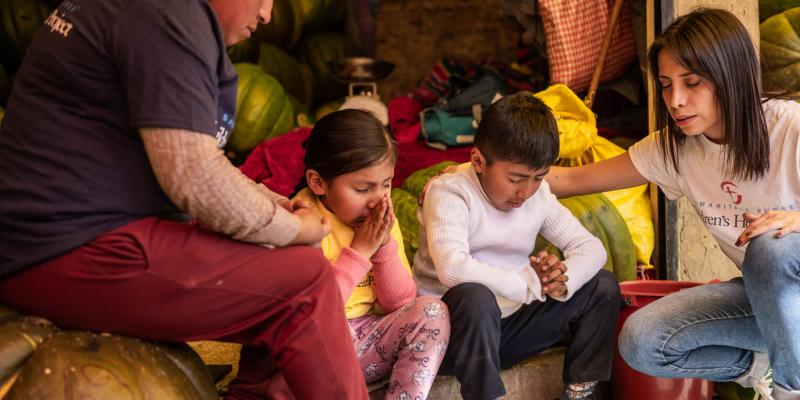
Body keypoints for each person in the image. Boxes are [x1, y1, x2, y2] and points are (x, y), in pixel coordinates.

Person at [0, 0, 369, 398]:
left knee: (282, 261)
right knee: (304, 283)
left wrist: (274, 207)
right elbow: (191, 175)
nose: (267, 14)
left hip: (58, 240)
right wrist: (293, 226)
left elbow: (194, 156)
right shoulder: (168, 14)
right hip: (62, 250)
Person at [545, 8, 800, 400]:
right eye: (666, 85)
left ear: (730, 75)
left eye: (692, 82)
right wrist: (474, 176)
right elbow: (570, 180)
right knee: (643, 339)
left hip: (789, 286)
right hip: (771, 305)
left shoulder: (790, 128)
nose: (676, 101)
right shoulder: (675, 150)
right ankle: (763, 366)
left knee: (771, 248)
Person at [414, 92, 621, 400]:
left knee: (602, 285)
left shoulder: (537, 196)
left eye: (538, 177)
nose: (525, 191)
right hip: (450, 340)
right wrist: (525, 284)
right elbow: (452, 268)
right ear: (478, 161)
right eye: (515, 178)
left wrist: (558, 280)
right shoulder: (451, 193)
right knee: (475, 296)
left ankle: (579, 393)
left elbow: (591, 248)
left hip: (507, 332)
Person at [274, 109, 448, 400]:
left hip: (366, 343)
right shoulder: (300, 223)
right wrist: (360, 250)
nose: (377, 200)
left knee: (432, 311)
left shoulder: (378, 218)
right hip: (313, 350)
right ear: (318, 183)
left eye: (386, 184)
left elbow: (400, 302)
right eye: (362, 188)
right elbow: (309, 314)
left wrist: (381, 248)